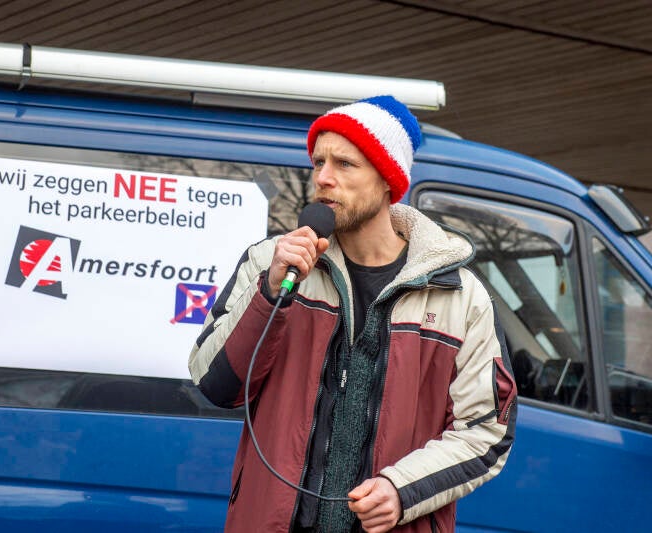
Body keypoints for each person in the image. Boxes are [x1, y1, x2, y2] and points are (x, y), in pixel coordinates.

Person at [189, 95, 517, 533]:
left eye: (344, 164)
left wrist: (402, 490)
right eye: (318, 162)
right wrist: (270, 293)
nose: (323, 178)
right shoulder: (271, 263)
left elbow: (485, 431)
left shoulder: (460, 296)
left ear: (387, 181)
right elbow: (215, 385)